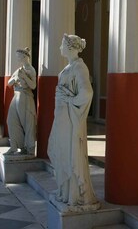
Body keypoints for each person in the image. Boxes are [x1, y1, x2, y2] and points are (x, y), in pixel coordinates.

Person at [48, 34, 100, 211]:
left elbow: (87, 92)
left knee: (69, 154)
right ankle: (64, 192)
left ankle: (74, 195)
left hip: (69, 120)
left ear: (70, 47)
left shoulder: (79, 67)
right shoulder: (69, 67)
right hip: (61, 118)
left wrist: (70, 101)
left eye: (62, 45)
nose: (59, 48)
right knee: (57, 150)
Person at [5, 47, 37, 155]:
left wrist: (24, 77)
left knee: (27, 124)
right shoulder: (19, 69)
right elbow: (9, 83)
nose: (17, 58)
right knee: (11, 121)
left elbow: (33, 86)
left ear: (24, 56)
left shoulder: (31, 69)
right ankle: (15, 145)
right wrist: (15, 79)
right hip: (16, 96)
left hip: (25, 97)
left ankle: (30, 147)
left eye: (18, 56)